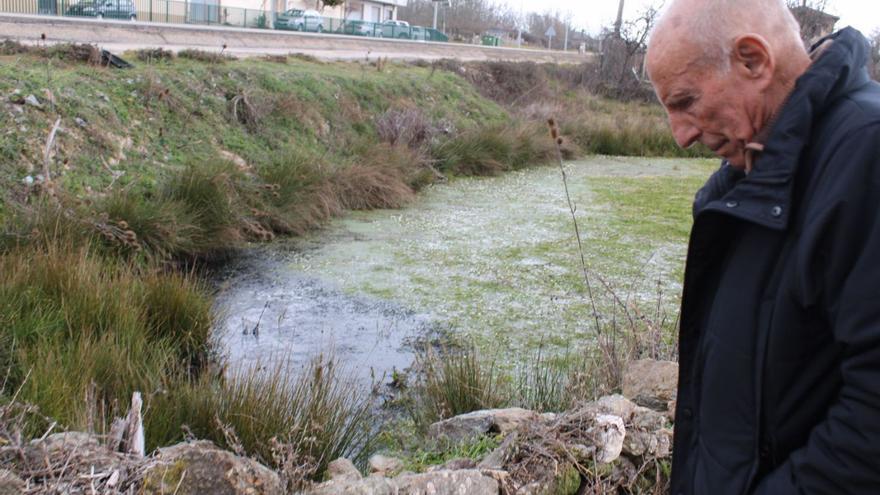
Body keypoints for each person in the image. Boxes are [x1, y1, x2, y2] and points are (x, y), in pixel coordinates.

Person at [645, 0, 880, 493]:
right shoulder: (753, 174)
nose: (681, 136)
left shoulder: (866, 159)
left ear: (753, 59)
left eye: (686, 101)